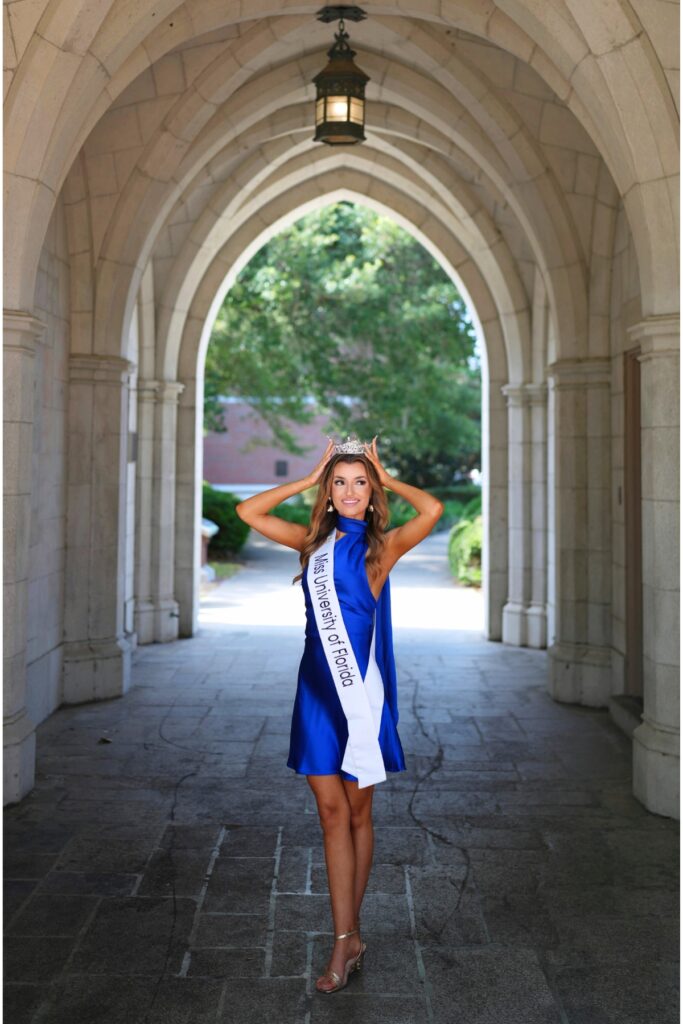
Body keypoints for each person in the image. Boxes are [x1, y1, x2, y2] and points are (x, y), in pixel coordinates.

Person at [235, 435, 443, 993]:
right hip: (316, 694)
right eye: (339, 482)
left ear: (371, 494)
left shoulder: (383, 550)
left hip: (359, 700)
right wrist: (307, 478)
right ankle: (345, 936)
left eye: (359, 483)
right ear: (328, 493)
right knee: (330, 815)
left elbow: (433, 510)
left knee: (356, 815)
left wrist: (388, 475)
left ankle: (346, 936)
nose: (349, 491)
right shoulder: (311, 544)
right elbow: (248, 511)